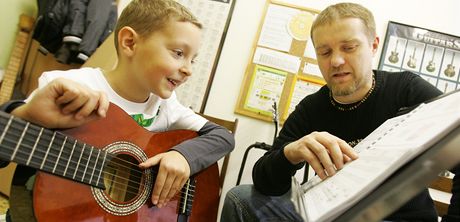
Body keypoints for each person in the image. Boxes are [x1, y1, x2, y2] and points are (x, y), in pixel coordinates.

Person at [221, 2, 459, 222]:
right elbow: (264, 181)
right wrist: (290, 153)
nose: (335, 61)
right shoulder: (311, 108)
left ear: (373, 45)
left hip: (398, 218)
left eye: (349, 47)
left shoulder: (406, 90)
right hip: (329, 214)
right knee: (239, 198)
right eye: (324, 52)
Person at [1, 0, 234, 221]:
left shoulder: (165, 105)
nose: (188, 70)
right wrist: (25, 115)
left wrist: (185, 157)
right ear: (130, 42)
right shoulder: (66, 87)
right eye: (179, 53)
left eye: (193, 59)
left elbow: (223, 137)